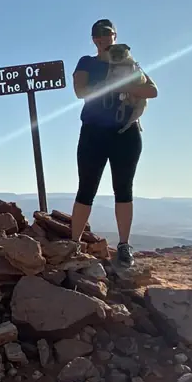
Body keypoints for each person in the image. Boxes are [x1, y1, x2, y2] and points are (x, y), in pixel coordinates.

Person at [71, 18, 157, 266]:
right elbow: (81, 91)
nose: (103, 39)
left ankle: (123, 245)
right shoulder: (86, 62)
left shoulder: (128, 63)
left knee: (124, 189)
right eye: (98, 35)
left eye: (107, 35)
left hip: (126, 132)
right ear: (93, 39)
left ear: (115, 36)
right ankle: (74, 244)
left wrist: (125, 85)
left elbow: (152, 90)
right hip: (94, 132)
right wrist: (114, 85)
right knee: (86, 189)